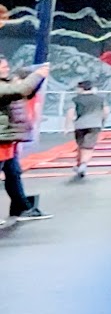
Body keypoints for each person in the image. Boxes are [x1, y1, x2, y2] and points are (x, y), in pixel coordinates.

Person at [0, 57, 50, 221]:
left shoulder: (7, 83)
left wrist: (37, 78)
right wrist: (38, 74)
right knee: (12, 174)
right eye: (3, 67)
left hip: (7, 138)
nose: (7, 69)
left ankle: (22, 208)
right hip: (3, 138)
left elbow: (25, 91)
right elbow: (22, 90)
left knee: (14, 174)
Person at [71, 79, 106, 180]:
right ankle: (83, 164)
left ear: (81, 88)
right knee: (88, 146)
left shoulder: (76, 99)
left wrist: (67, 125)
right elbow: (106, 111)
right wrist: (102, 121)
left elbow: (71, 112)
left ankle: (79, 164)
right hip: (95, 124)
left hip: (79, 125)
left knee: (81, 145)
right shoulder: (100, 99)